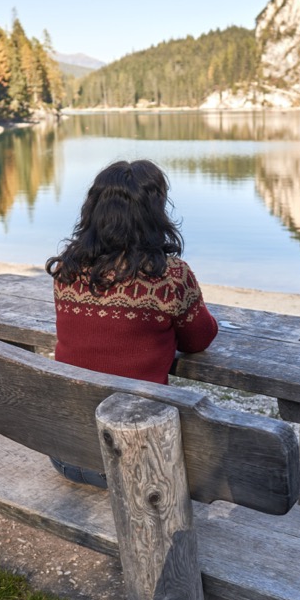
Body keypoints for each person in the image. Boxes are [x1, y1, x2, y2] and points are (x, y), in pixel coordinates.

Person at [44, 159, 219, 486]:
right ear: (155, 212)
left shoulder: (67, 271)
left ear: (94, 209)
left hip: (65, 452)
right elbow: (200, 339)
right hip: (134, 460)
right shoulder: (169, 277)